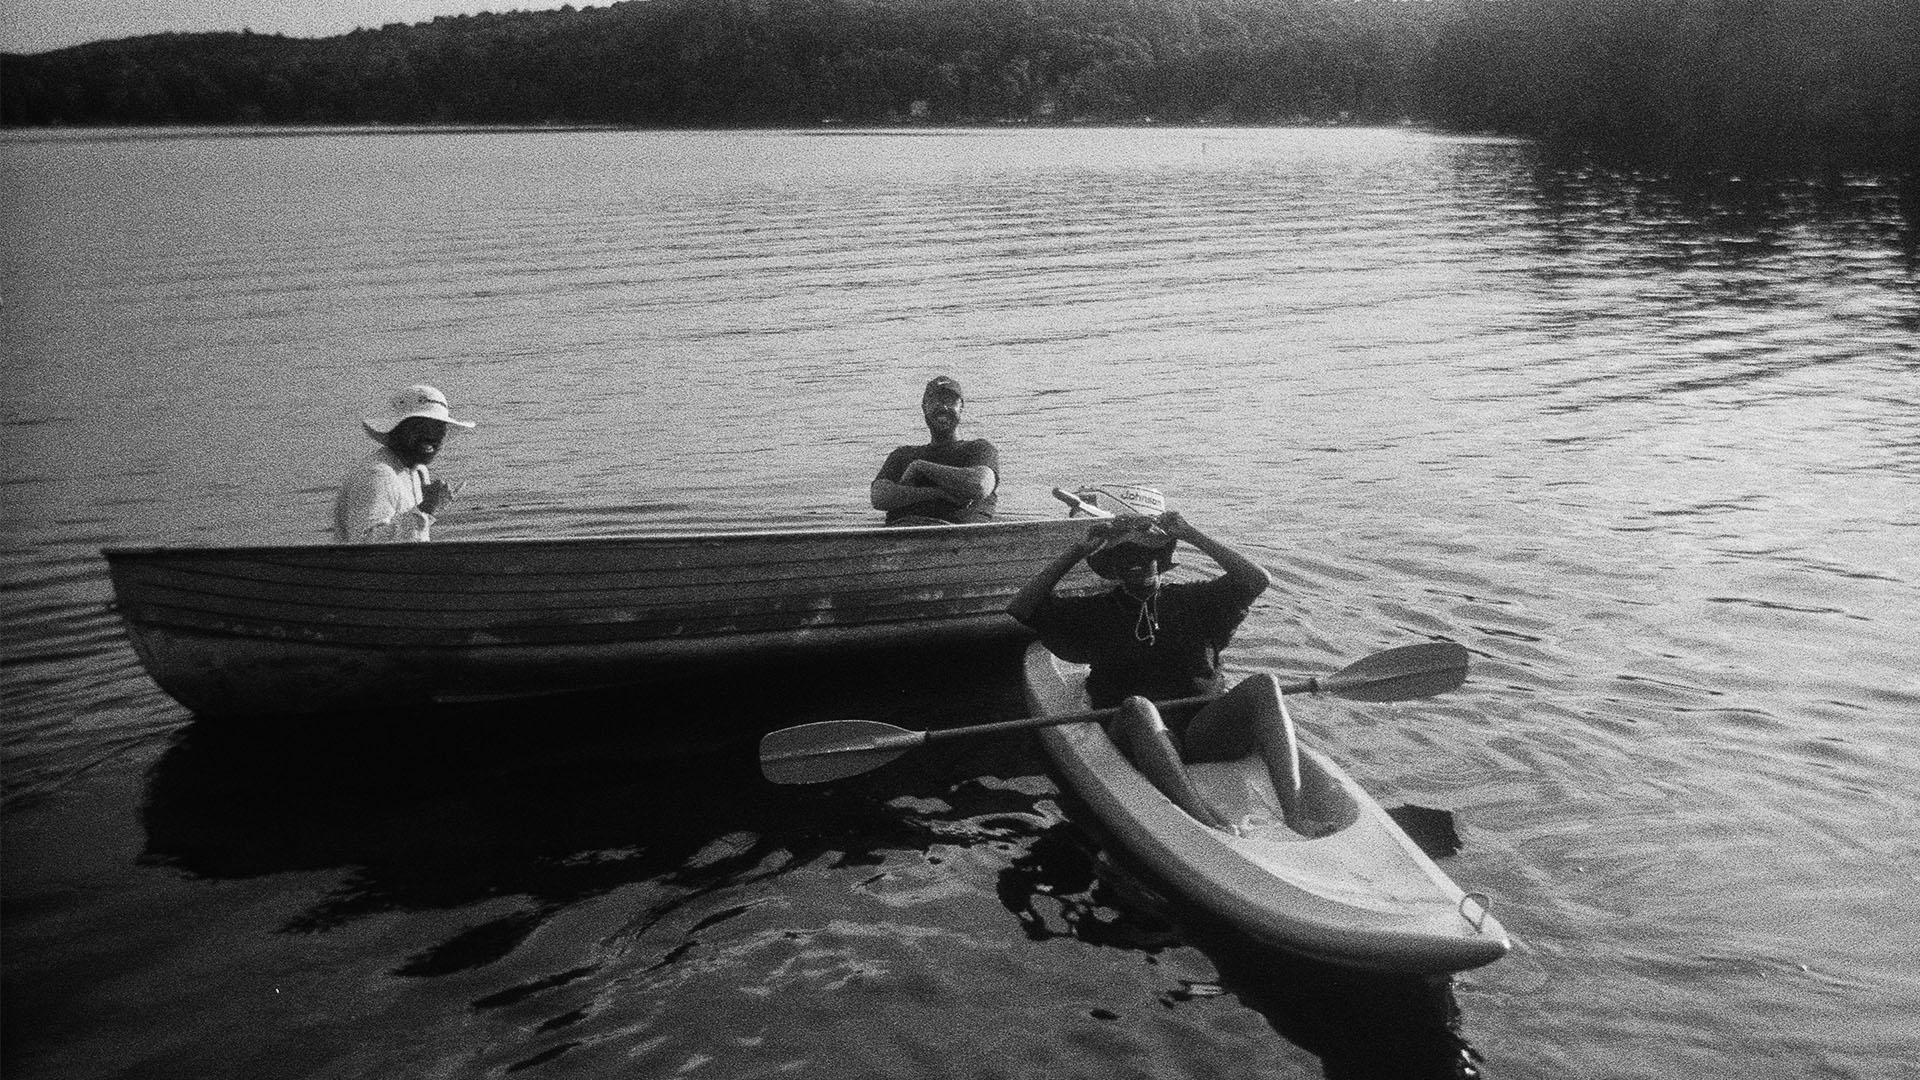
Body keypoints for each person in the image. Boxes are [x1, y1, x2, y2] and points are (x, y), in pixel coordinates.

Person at [1009, 498, 1310, 831]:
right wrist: (1077, 551)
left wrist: (1192, 534)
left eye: (1144, 555)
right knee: (1139, 707)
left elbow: (1257, 579)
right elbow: (1022, 607)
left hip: (1201, 729)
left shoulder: (1194, 600)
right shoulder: (1094, 612)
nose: (1135, 563)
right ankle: (1203, 821)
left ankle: (1296, 813)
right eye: (1124, 557)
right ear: (1113, 569)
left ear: (1161, 561)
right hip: (1136, 732)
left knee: (1265, 683)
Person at [333, 384, 474, 543]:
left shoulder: (417, 471)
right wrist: (426, 508)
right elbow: (366, 545)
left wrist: (425, 509)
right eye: (420, 427)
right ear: (396, 429)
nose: (431, 435)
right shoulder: (378, 475)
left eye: (438, 428)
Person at [870, 376, 999, 525]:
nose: (943, 407)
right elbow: (879, 498)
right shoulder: (902, 454)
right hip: (900, 532)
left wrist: (921, 467)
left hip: (958, 534)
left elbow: (979, 486)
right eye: (935, 401)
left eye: (950, 401)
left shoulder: (979, 449)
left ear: (961, 406)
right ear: (924, 407)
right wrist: (937, 493)